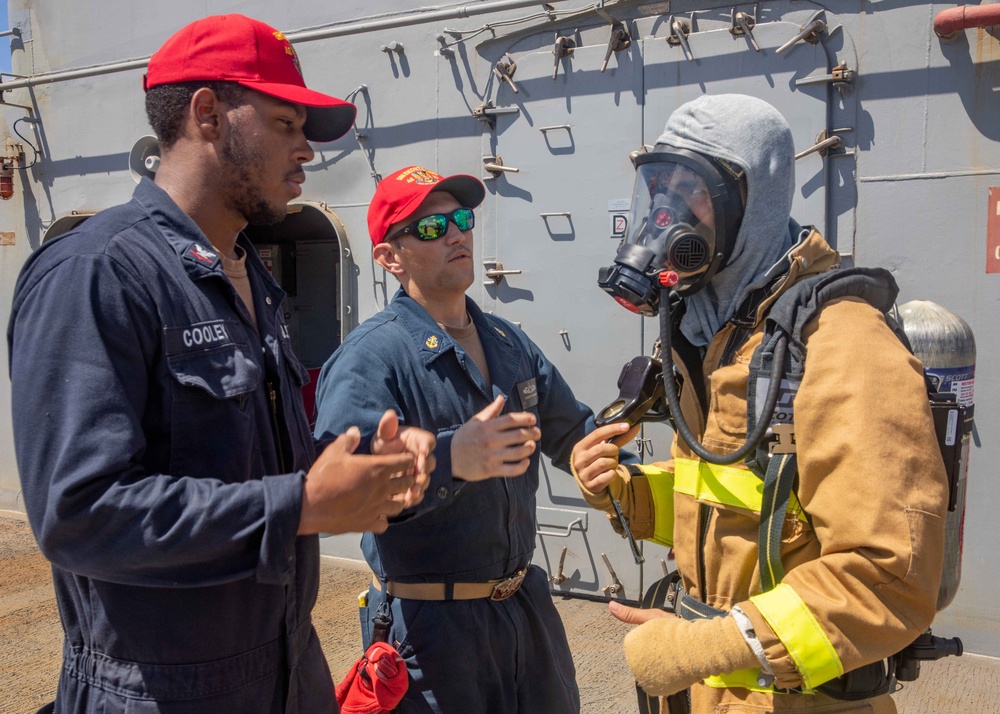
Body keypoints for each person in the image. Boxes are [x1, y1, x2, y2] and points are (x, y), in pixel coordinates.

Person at [7, 14, 433, 714]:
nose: (306, 152)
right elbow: (76, 512)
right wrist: (299, 505)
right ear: (207, 113)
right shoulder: (98, 272)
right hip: (158, 692)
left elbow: (247, 461)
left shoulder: (246, 276)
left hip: (284, 672)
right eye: (286, 123)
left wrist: (358, 470)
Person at [572, 94, 948, 714]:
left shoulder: (842, 340)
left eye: (688, 189)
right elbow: (750, 507)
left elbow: (890, 577)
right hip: (708, 695)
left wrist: (698, 651)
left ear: (750, 200)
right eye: (657, 188)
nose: (664, 214)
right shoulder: (718, 335)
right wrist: (629, 493)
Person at [313, 166, 629, 714]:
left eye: (462, 219)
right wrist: (450, 459)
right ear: (390, 257)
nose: (457, 233)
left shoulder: (508, 341)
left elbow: (569, 431)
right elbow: (341, 485)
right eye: (432, 228)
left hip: (525, 616)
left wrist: (590, 456)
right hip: (432, 634)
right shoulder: (370, 358)